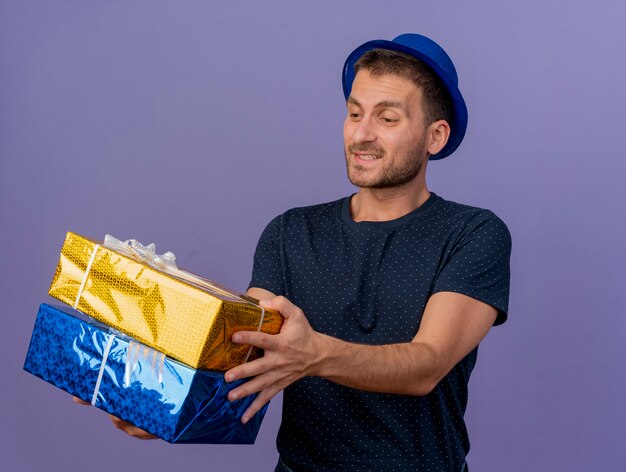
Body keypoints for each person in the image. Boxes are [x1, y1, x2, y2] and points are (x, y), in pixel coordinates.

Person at [109, 33, 511, 472]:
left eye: (387, 118)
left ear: (435, 136)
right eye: (354, 113)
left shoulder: (473, 233)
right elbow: (246, 352)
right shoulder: (291, 232)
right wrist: (155, 402)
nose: (362, 133)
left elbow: (427, 365)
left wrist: (316, 354)